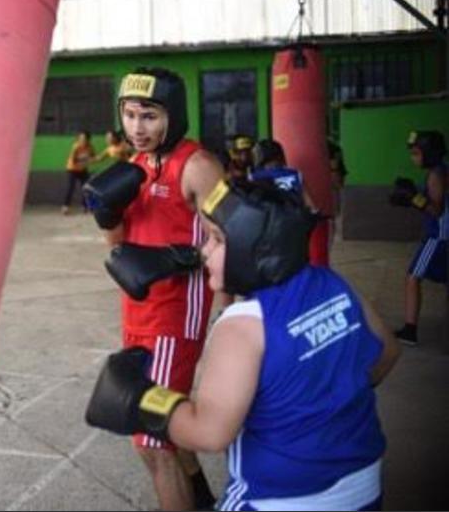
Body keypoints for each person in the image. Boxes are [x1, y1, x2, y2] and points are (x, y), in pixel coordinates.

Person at [86, 179, 401, 511]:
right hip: (363, 487)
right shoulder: (333, 284)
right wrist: (326, 398)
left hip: (277, 499)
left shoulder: (241, 326)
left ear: (257, 250)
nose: (204, 250)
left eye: (218, 240)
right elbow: (388, 352)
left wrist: (142, 399)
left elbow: (209, 433)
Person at [82, 67, 225, 510]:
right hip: (139, 311)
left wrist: (179, 259)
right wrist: (109, 217)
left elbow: (235, 243)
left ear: (173, 115)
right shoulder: (136, 166)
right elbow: (121, 247)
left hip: (174, 317)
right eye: (129, 115)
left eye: (149, 116)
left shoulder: (197, 166)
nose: (137, 128)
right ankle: (200, 498)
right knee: (169, 417)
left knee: (150, 440)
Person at [391, 130, 448, 346]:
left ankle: (410, 330)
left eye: (416, 153)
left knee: (413, 277)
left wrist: (413, 197)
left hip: (438, 237)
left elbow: (436, 210)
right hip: (443, 235)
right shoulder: (441, 170)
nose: (413, 158)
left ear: (429, 153)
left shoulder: (436, 174)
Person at [62, 130, 96, 215]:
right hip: (72, 169)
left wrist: (92, 159)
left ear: (88, 139)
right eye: (80, 138)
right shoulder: (76, 146)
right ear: (78, 139)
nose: (82, 140)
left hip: (83, 169)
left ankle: (85, 206)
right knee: (70, 187)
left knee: (86, 187)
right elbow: (74, 160)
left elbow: (93, 155)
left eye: (84, 139)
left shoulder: (90, 146)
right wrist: (85, 160)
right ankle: (66, 206)